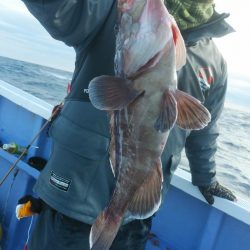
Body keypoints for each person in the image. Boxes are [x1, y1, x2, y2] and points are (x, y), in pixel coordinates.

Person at [18, 0, 236, 249]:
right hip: (75, 196)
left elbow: (205, 130)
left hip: (136, 215)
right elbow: (60, 9)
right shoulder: (117, 10)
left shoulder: (214, 62)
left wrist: (206, 178)